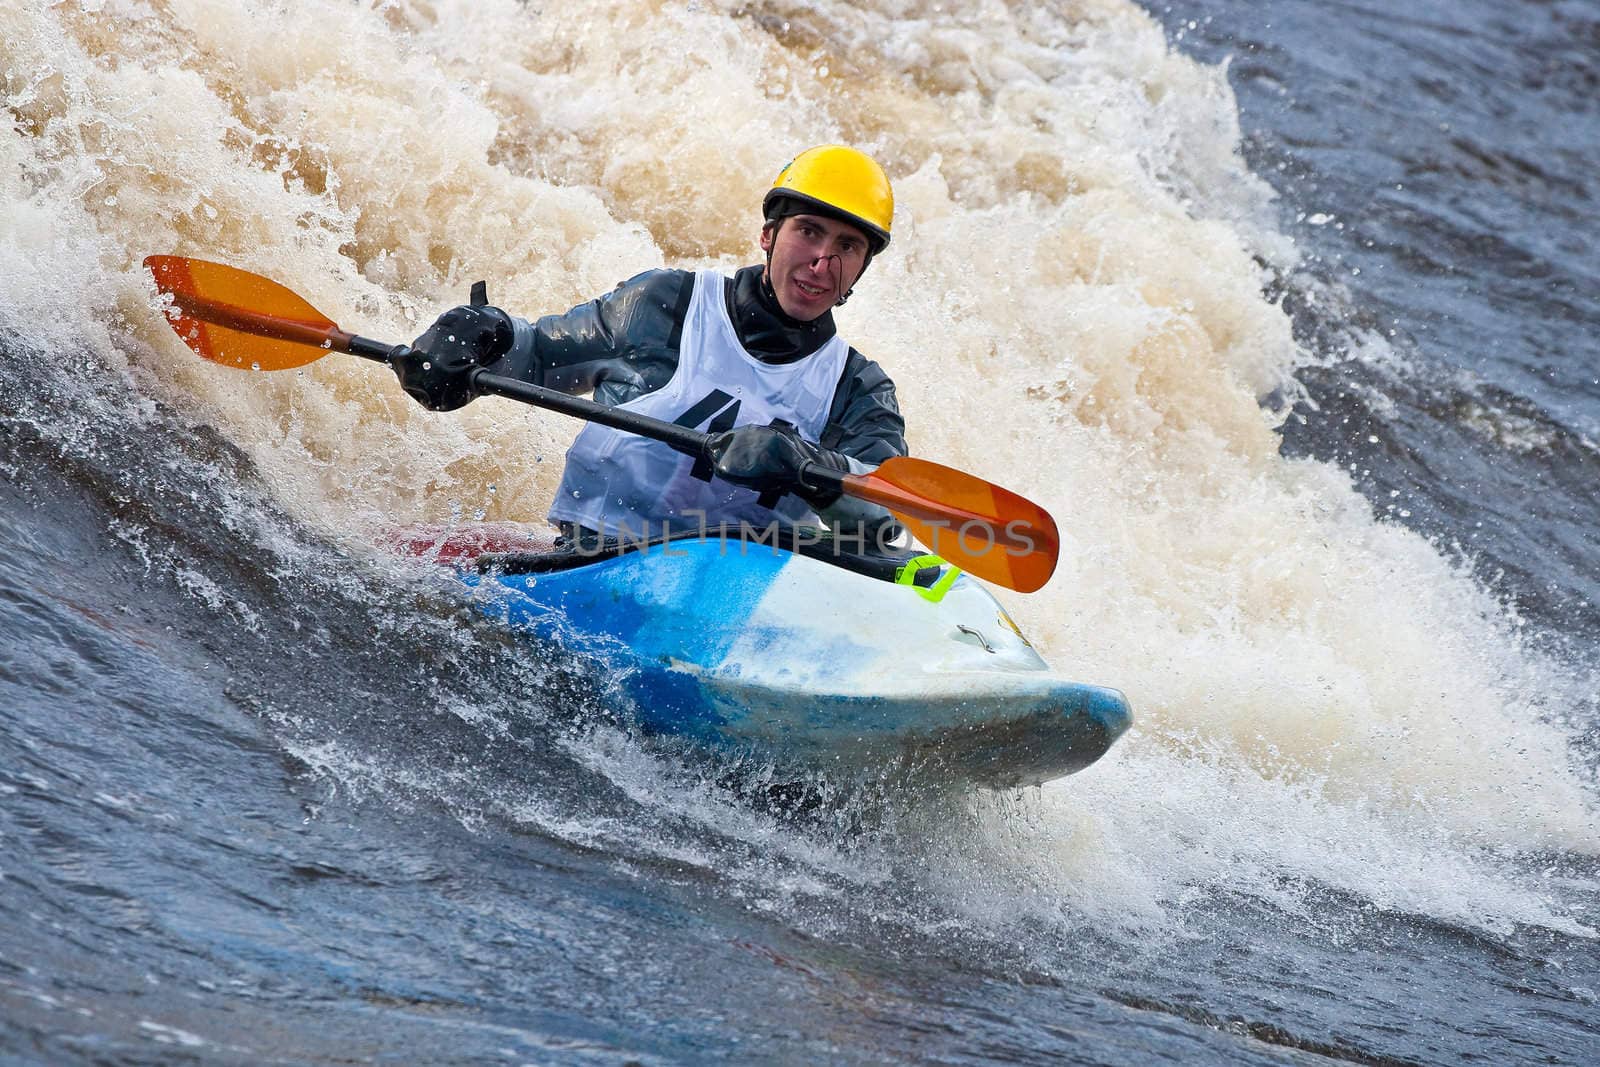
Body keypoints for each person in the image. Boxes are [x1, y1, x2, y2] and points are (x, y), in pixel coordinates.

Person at [391, 145, 907, 546]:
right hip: (592, 559)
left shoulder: (857, 388)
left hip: (733, 598)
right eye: (809, 232)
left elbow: (886, 518)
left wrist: (812, 469)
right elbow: (538, 357)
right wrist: (485, 332)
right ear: (768, 235)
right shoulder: (665, 306)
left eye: (847, 246)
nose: (822, 262)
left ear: (861, 266)